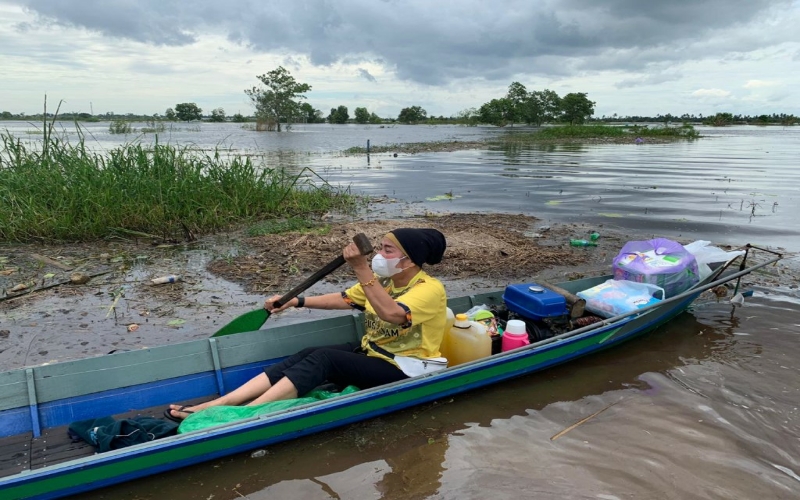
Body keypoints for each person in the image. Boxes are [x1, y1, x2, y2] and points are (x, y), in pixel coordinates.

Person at [165, 228, 448, 422]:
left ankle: (243, 415)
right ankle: (219, 404)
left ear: (409, 260)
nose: (379, 255)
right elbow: (346, 299)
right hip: (375, 353)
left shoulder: (428, 289)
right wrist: (296, 301)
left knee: (325, 359)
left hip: (406, 367)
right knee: (308, 353)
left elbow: (392, 314)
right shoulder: (384, 281)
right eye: (381, 248)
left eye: (387, 250)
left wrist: (361, 268)